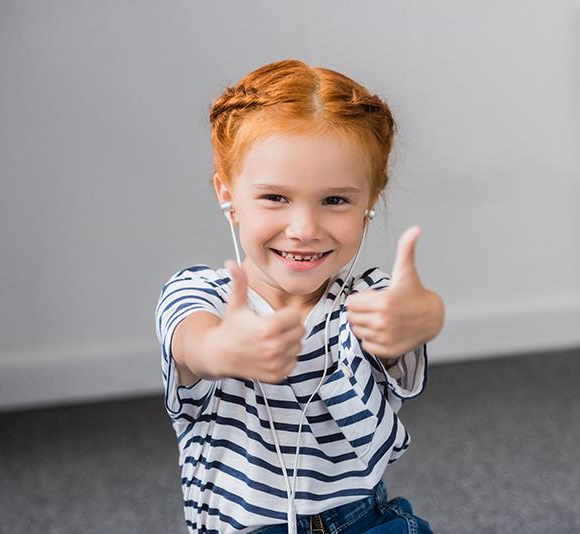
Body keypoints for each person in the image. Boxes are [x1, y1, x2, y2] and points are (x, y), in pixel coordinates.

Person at [154, 59, 444, 534]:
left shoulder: (368, 296)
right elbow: (194, 342)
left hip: (363, 520)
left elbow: (410, 317)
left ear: (371, 199)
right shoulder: (199, 293)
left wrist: (420, 317)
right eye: (275, 198)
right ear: (227, 193)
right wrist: (225, 349)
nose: (305, 230)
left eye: (335, 200)